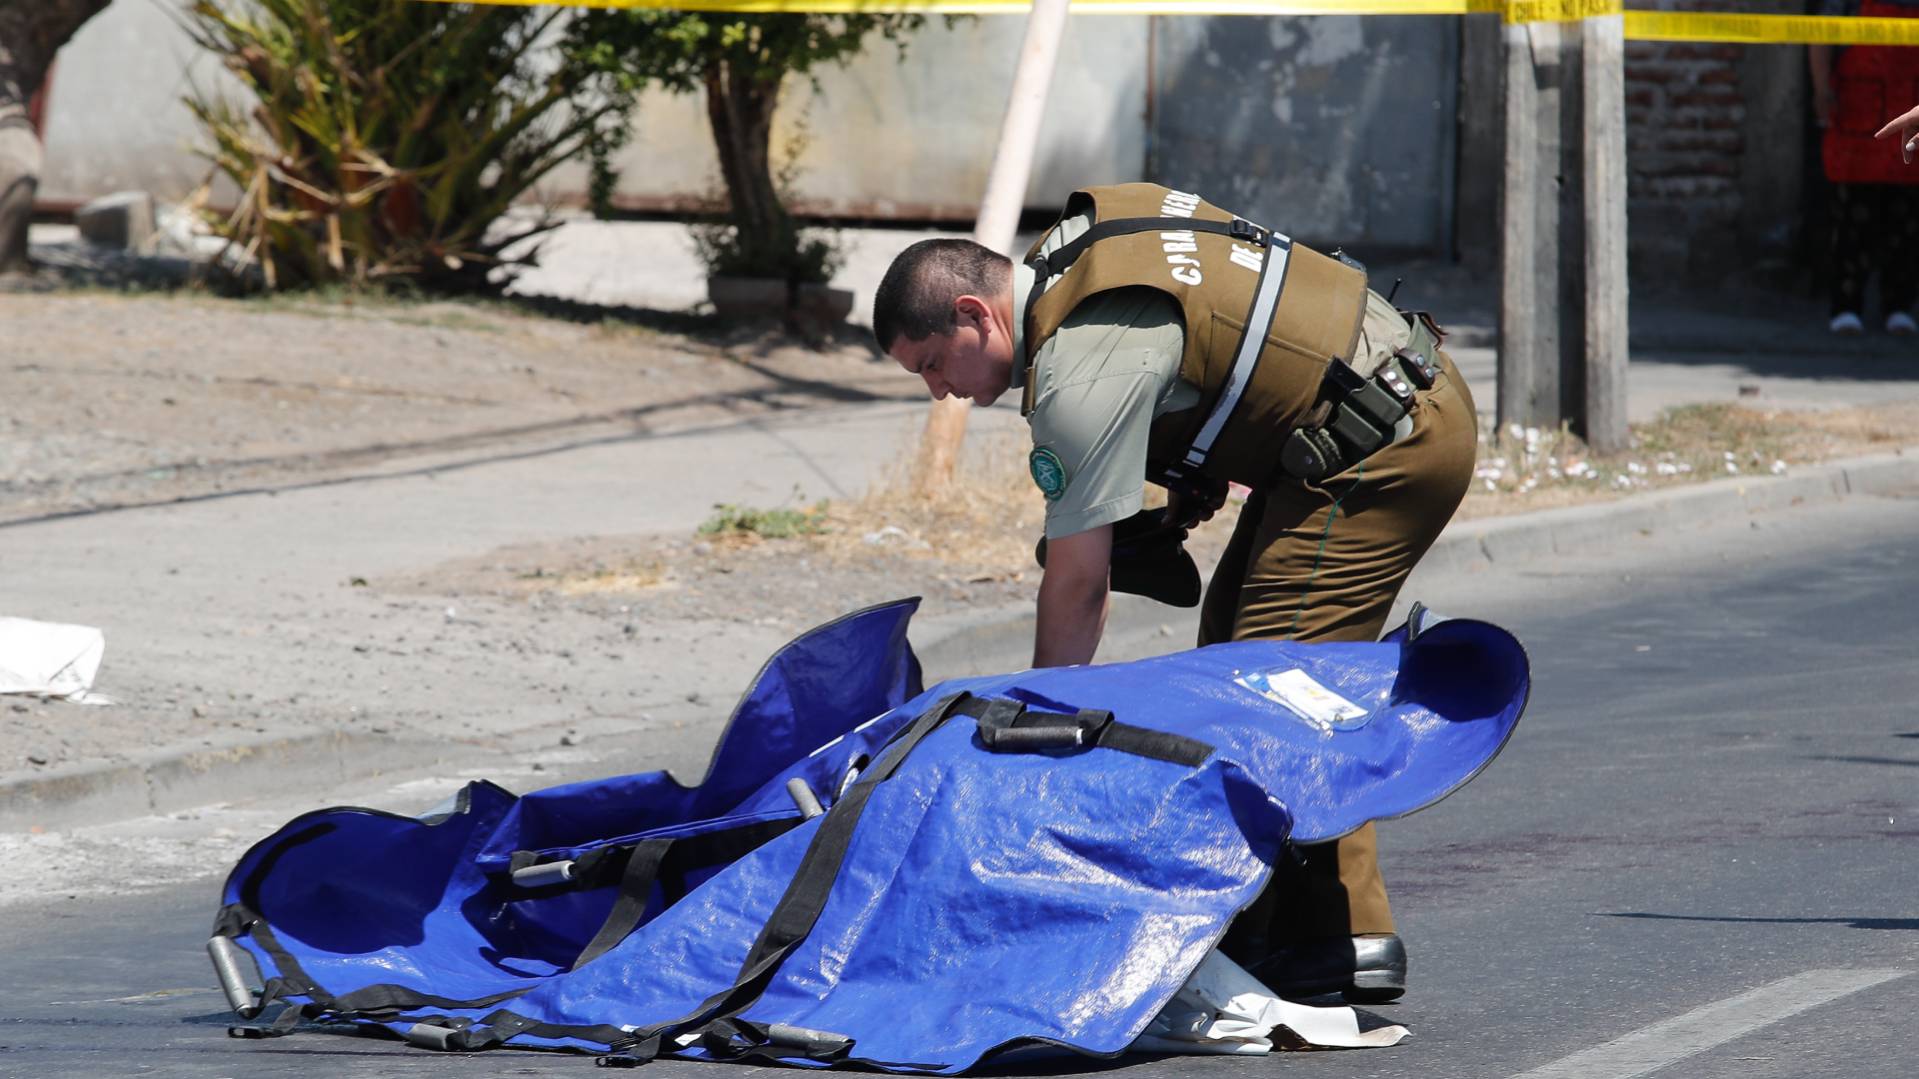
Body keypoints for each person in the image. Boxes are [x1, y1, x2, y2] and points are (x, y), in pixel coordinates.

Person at [871, 183, 1478, 1002]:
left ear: (977, 314)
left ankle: (1337, 937)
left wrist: (1032, 727)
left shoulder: (1076, 373)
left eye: (934, 363)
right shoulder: (1076, 255)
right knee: (1230, 657)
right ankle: (1274, 924)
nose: (938, 391)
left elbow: (1078, 584)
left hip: (1387, 443)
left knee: (1271, 689)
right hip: (1358, 417)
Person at [1810, 0, 1919, 336]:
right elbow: (1819, 34)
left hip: (1909, 116)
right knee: (1851, 220)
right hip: (1858, 120)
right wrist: (1820, 90)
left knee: (1907, 220)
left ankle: (1899, 306)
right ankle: (1845, 306)